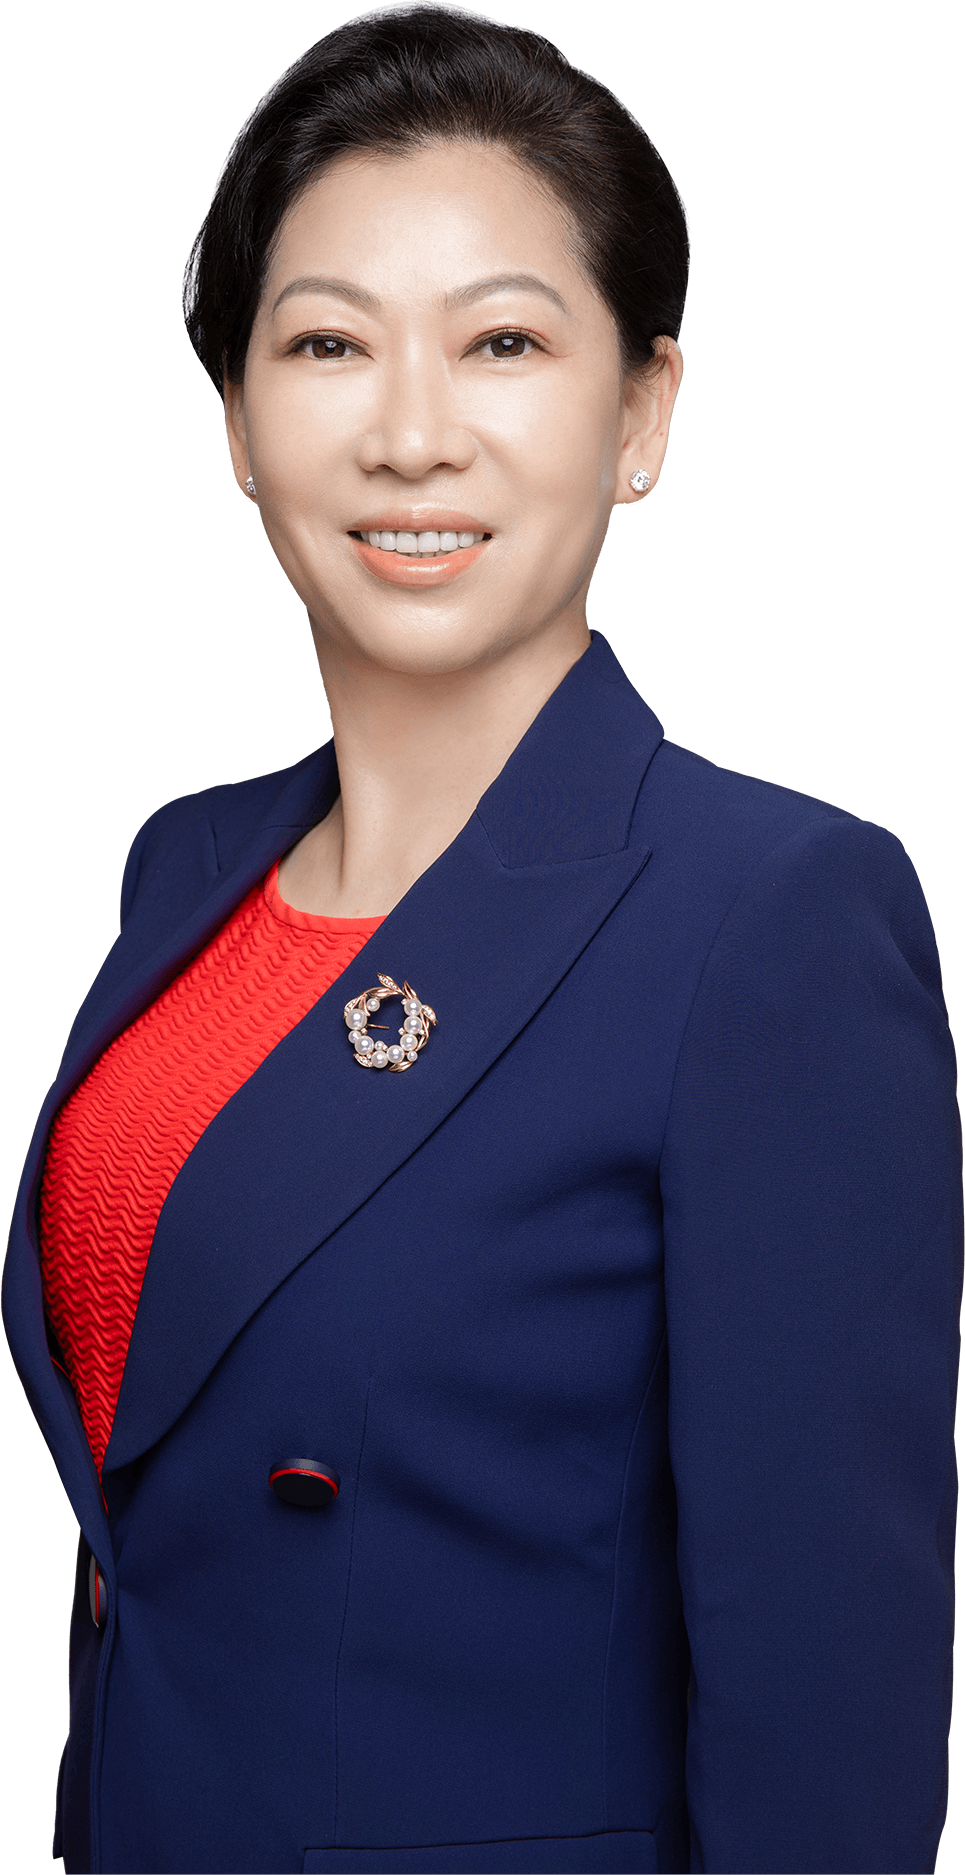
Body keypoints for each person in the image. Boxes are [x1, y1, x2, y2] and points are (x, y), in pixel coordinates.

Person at [3, 6, 959, 1872]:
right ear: (238, 424)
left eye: (504, 342)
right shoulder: (184, 867)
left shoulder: (769, 915)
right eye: (327, 344)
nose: (411, 434)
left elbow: (827, 1706)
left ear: (642, 416)